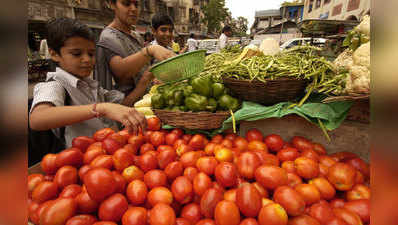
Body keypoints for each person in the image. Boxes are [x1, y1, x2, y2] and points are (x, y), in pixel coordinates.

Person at [29, 18, 147, 148]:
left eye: (91, 54)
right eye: (76, 54)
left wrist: (144, 82)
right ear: (54, 54)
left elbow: (122, 105)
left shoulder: (91, 85)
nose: (86, 59)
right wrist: (100, 108)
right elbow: (37, 118)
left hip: (108, 153)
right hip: (83, 161)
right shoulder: (55, 84)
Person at [95, 0, 175, 103]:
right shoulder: (108, 37)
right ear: (112, 4)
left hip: (144, 103)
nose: (133, 9)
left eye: (136, 4)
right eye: (126, 4)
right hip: (125, 109)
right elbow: (122, 72)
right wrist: (150, 50)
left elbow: (141, 71)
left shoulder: (136, 36)